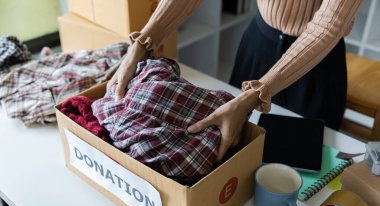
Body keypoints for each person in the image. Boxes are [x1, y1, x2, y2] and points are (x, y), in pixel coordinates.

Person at [108, 0, 362, 161]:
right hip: (260, 42)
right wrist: (142, 44)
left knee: (305, 160)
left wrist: (255, 94)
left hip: (316, 63)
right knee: (235, 145)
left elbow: (328, 26)